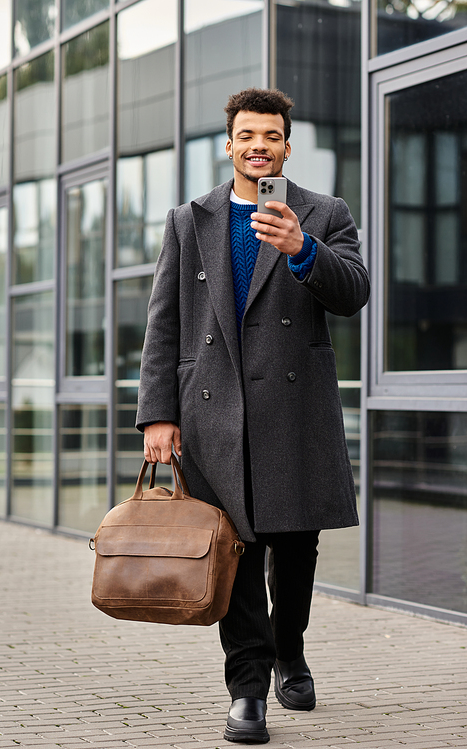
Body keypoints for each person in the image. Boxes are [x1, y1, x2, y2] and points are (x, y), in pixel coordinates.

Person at [136, 87, 370, 744]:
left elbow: (354, 291)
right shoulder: (191, 220)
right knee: (233, 552)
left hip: (292, 413)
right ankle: (248, 686)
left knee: (294, 550)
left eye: (271, 135)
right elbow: (163, 325)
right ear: (230, 144)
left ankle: (289, 650)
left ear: (287, 146)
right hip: (213, 414)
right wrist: (158, 414)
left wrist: (304, 249)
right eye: (247, 135)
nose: (259, 146)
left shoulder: (323, 213)